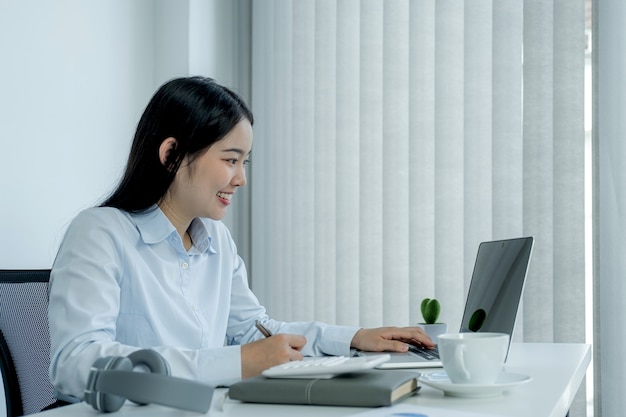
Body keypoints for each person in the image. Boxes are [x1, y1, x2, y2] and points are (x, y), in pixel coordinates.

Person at [47, 76, 434, 403]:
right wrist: (235, 363)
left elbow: (254, 331)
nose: (241, 179)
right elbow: (75, 362)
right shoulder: (100, 233)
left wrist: (354, 338)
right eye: (230, 160)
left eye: (243, 162)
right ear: (171, 154)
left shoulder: (216, 240)